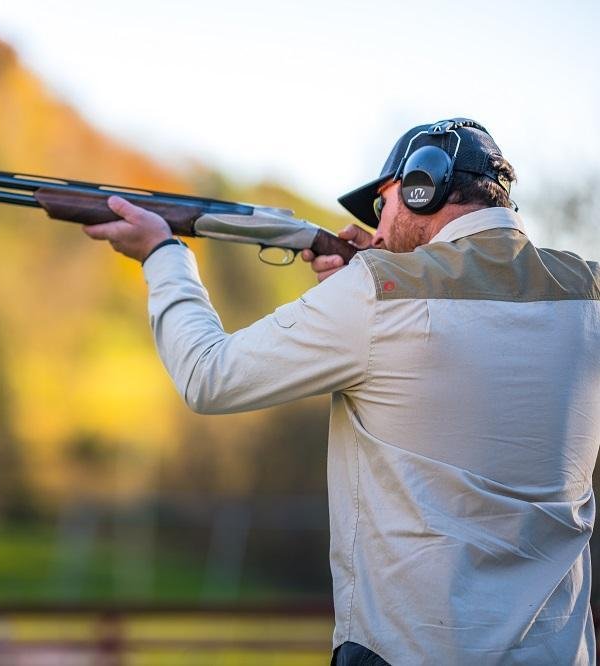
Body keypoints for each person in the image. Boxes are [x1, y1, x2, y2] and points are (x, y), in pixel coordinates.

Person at [82, 118, 600, 665]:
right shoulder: (588, 293)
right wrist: (374, 277)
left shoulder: (376, 293)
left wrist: (163, 256)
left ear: (422, 187)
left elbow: (207, 375)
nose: (376, 230)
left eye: (382, 207)